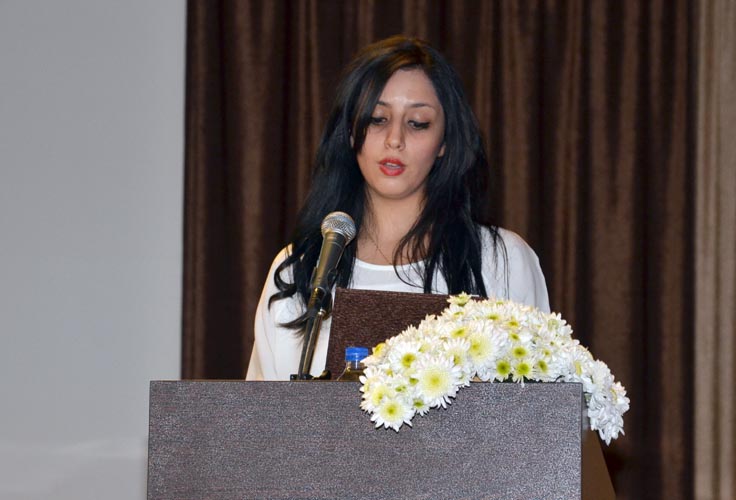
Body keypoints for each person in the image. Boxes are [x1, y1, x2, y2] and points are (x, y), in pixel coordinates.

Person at [246, 35, 549, 381]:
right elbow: (261, 410)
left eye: (417, 123)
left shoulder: (500, 261)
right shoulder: (298, 270)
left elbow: (543, 405)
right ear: (350, 132)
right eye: (377, 119)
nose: (395, 139)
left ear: (444, 142)